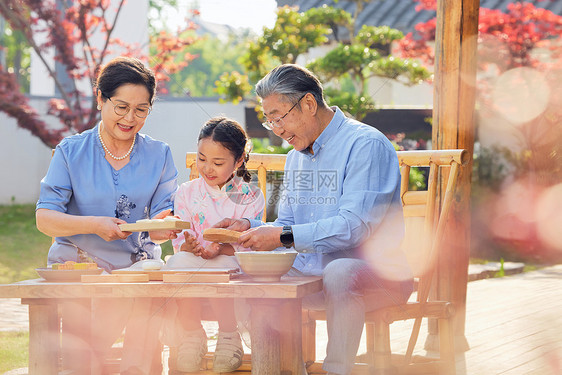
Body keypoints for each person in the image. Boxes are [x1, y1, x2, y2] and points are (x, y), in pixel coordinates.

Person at [215, 64, 414, 375]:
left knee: (340, 270)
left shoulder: (365, 144)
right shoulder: (296, 157)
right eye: (270, 121)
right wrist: (251, 229)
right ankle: (283, 368)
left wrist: (281, 237)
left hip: (379, 276)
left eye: (279, 117)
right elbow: (288, 223)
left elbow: (355, 227)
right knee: (247, 266)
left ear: (308, 104)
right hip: (313, 274)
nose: (276, 128)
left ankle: (336, 370)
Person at [36, 56, 179, 374]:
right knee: (115, 301)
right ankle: (86, 363)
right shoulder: (71, 151)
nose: (131, 118)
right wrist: (94, 225)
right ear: (100, 98)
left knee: (141, 288)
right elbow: (44, 217)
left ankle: (121, 367)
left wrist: (165, 226)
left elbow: (159, 223)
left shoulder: (159, 154)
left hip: (134, 268)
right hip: (79, 266)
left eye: (141, 110)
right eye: (121, 107)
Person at [165, 117, 265, 372]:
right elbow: (180, 238)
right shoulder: (186, 192)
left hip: (231, 260)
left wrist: (220, 248)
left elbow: (250, 242)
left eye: (218, 162)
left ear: (239, 160)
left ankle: (229, 335)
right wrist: (189, 245)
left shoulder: (249, 195)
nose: (207, 168)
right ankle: (191, 333)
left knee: (218, 268)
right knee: (176, 264)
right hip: (194, 260)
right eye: (201, 159)